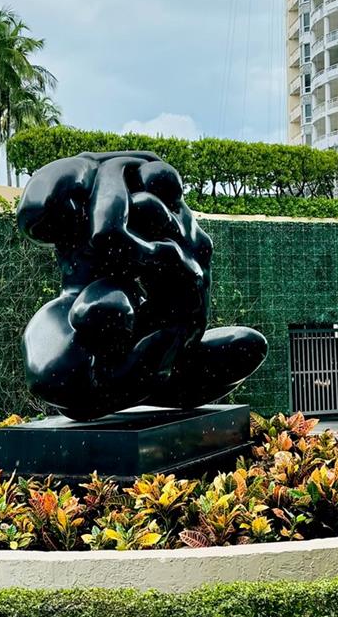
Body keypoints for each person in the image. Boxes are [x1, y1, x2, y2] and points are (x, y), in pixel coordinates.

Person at [16, 151, 267, 421]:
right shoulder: (162, 240)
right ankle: (140, 381)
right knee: (109, 306)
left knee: (247, 344)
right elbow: (104, 234)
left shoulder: (159, 233)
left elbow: (108, 232)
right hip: (81, 365)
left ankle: (141, 382)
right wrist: (119, 163)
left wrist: (117, 164)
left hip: (137, 360)